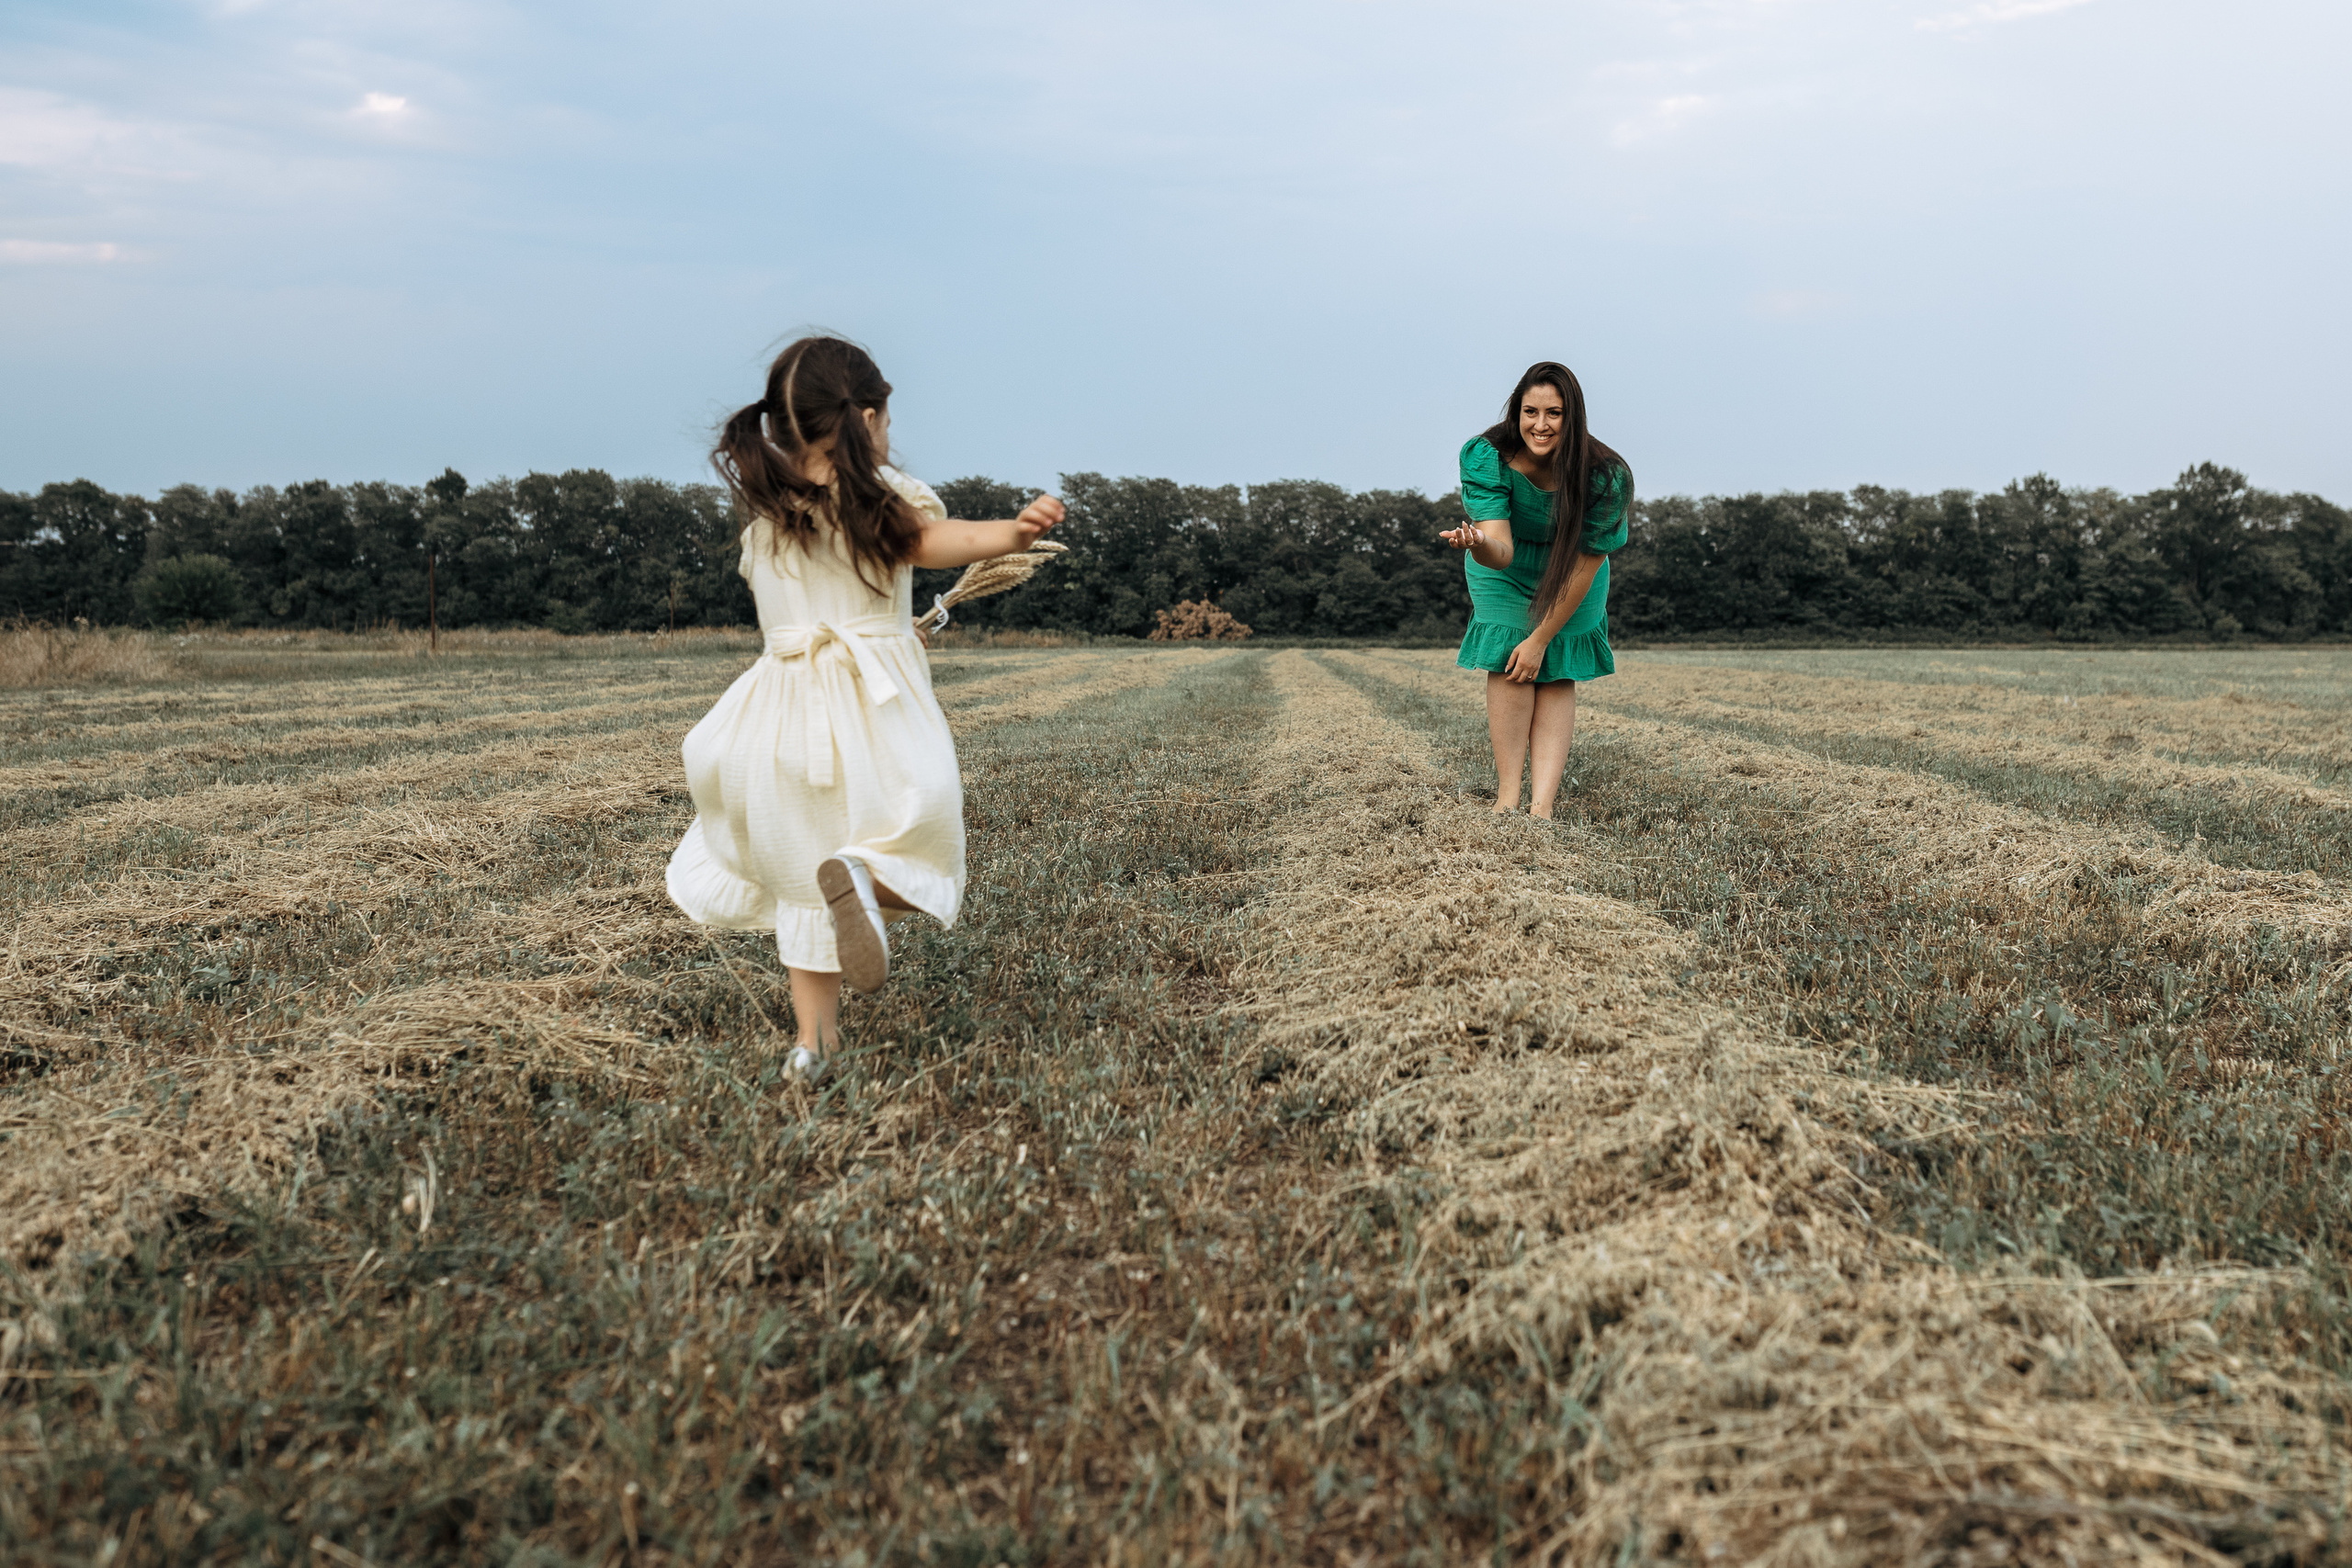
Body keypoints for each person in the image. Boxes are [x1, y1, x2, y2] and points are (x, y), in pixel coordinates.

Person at [665, 335, 1063, 1077]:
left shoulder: (768, 525)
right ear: (871, 417)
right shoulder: (881, 506)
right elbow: (940, 541)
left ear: (778, 432)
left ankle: (812, 1049)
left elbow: (813, 603)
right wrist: (1012, 532)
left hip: (773, 724)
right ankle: (864, 879)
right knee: (923, 827)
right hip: (867, 707)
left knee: (801, 889)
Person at [1439, 361, 1633, 818]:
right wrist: (1480, 543)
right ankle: (1507, 799)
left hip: (1573, 569)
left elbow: (1586, 564)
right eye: (1530, 412)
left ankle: (1541, 808)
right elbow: (1499, 551)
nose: (1540, 425)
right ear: (1516, 412)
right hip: (1505, 566)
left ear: (1573, 416)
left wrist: (1541, 638)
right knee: (1510, 658)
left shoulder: (1606, 475)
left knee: (1553, 663)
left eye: (1554, 413)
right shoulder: (1488, 456)